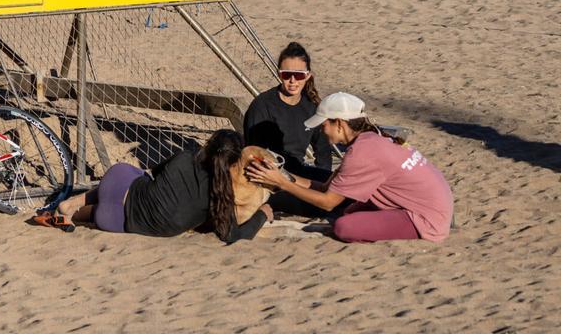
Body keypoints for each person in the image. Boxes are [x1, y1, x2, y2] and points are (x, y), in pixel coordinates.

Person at [246, 92, 453, 243]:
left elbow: (327, 202)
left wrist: (281, 183)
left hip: (428, 219)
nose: (322, 131)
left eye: (324, 125)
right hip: (434, 205)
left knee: (343, 227)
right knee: (348, 212)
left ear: (340, 124)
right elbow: (326, 187)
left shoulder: (362, 152)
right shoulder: (371, 139)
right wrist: (281, 174)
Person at [51, 130, 271, 242]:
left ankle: (74, 203)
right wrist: (262, 214)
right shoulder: (221, 194)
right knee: (134, 196)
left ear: (208, 145)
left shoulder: (186, 157)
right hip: (112, 222)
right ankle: (78, 209)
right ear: (234, 163)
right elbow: (232, 236)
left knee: (137, 176)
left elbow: (151, 174)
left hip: (116, 183)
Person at [244, 42, 332, 182]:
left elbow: (323, 150)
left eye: (299, 75)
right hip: (269, 174)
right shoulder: (262, 105)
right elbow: (254, 152)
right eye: (287, 74)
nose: (292, 80)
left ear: (308, 75)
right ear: (279, 74)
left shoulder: (311, 106)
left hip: (299, 172)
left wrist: (324, 182)